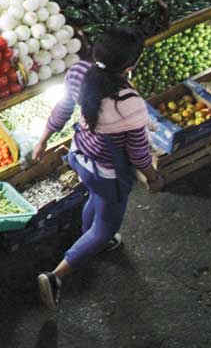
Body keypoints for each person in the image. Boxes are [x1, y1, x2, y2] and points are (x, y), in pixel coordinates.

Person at [32, 27, 165, 309]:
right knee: (106, 227)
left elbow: (62, 108)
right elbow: (139, 153)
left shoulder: (78, 71)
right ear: (129, 67)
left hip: (79, 156)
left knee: (96, 197)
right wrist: (153, 177)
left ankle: (89, 237)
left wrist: (43, 139)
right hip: (107, 172)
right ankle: (55, 276)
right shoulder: (129, 102)